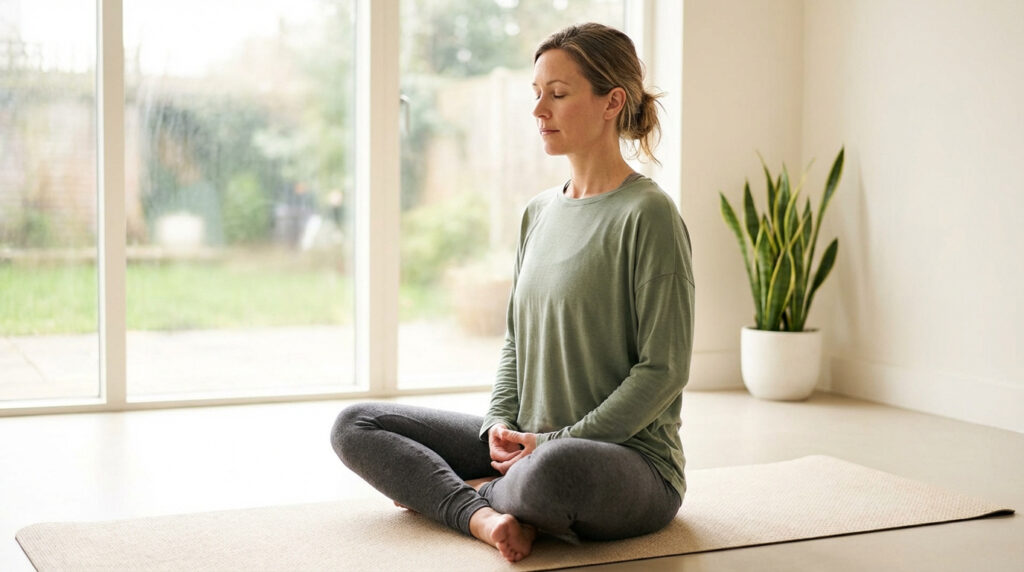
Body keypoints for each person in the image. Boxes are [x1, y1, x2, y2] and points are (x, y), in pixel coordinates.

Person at [331, 22, 694, 563]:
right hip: (526, 442)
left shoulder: (649, 214)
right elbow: (516, 342)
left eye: (559, 94)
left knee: (554, 475)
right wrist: (498, 422)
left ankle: (457, 492)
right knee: (356, 425)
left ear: (611, 101)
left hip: (623, 460)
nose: (538, 110)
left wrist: (550, 444)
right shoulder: (539, 212)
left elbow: (663, 370)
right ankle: (484, 514)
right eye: (536, 93)